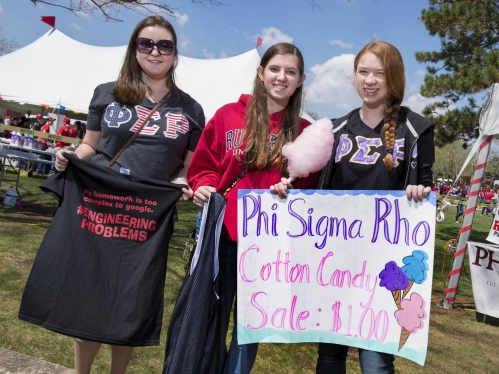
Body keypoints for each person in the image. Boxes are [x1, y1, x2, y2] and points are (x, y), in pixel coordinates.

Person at [46, 15, 204, 374]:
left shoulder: (191, 109)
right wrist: (69, 155)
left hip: (148, 218)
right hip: (99, 209)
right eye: (146, 43)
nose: (155, 51)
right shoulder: (107, 93)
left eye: (165, 45)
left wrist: (181, 180)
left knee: (130, 302)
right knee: (91, 294)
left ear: (175, 54)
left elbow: (187, 167)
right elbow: (90, 146)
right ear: (134, 49)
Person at [273, 40, 435, 374]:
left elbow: (425, 186)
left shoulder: (416, 130)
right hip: (336, 263)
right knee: (330, 355)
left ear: (394, 78)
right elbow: (310, 183)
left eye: (380, 73)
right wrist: (286, 187)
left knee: (376, 359)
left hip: (385, 262)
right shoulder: (332, 129)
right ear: (354, 76)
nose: (370, 80)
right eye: (364, 72)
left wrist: (419, 190)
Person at [187, 42, 320, 374]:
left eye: (290, 71)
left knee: (250, 329)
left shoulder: (306, 134)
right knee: (211, 319)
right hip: (224, 238)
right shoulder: (227, 116)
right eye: (275, 69)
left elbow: (310, 193)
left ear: (301, 79)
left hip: (271, 250)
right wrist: (203, 183)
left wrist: (292, 189)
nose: (281, 77)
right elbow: (204, 165)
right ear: (261, 73)